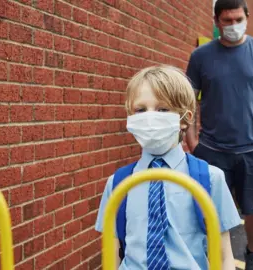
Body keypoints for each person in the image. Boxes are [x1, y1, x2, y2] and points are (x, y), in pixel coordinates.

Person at [94, 65, 242, 270]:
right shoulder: (118, 183)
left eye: (163, 109)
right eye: (140, 110)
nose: (150, 117)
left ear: (186, 118)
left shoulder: (209, 178)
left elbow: (224, 256)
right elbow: (111, 255)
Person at [185, 0, 253, 268]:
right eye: (226, 21)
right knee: (210, 212)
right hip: (212, 149)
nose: (232, 26)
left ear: (247, 18)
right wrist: (191, 140)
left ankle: (252, 253)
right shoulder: (201, 56)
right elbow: (189, 100)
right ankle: (216, 259)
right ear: (216, 22)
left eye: (237, 19)